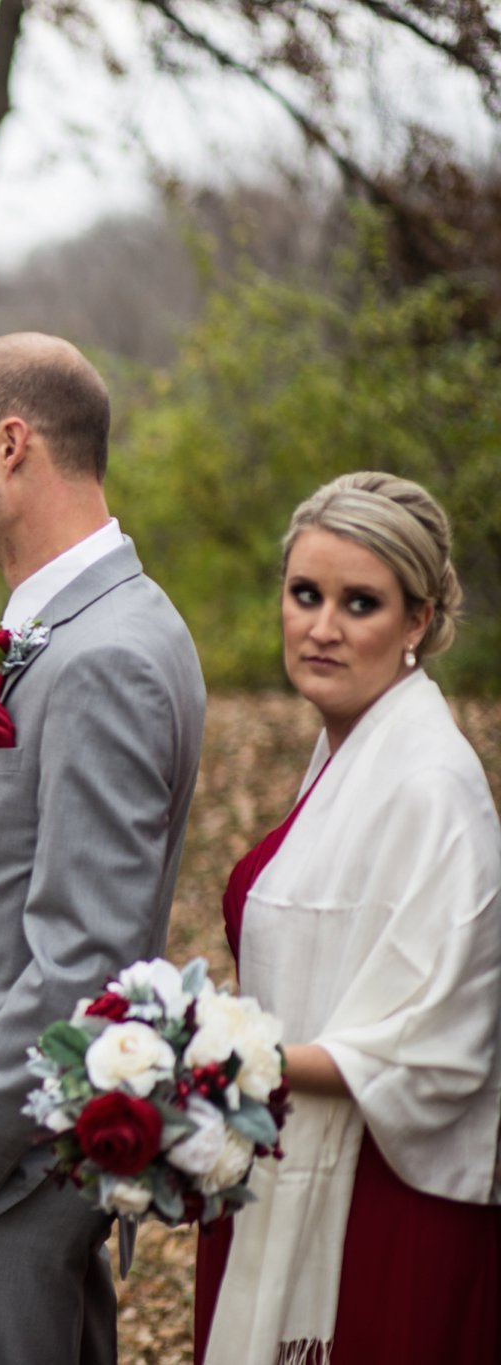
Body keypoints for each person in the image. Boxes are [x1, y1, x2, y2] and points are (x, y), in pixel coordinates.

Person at [0, 332, 206, 1365]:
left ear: (9, 445)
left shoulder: (104, 656)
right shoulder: (79, 628)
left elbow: (86, 951)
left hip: (1, 1174)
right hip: (7, 1165)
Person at [193, 473, 500, 1365]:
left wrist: (218, 1059)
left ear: (417, 620)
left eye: (359, 603)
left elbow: (438, 1042)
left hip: (387, 1206)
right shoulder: (352, 751)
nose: (321, 626)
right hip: (283, 1165)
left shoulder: (432, 786)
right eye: (305, 594)